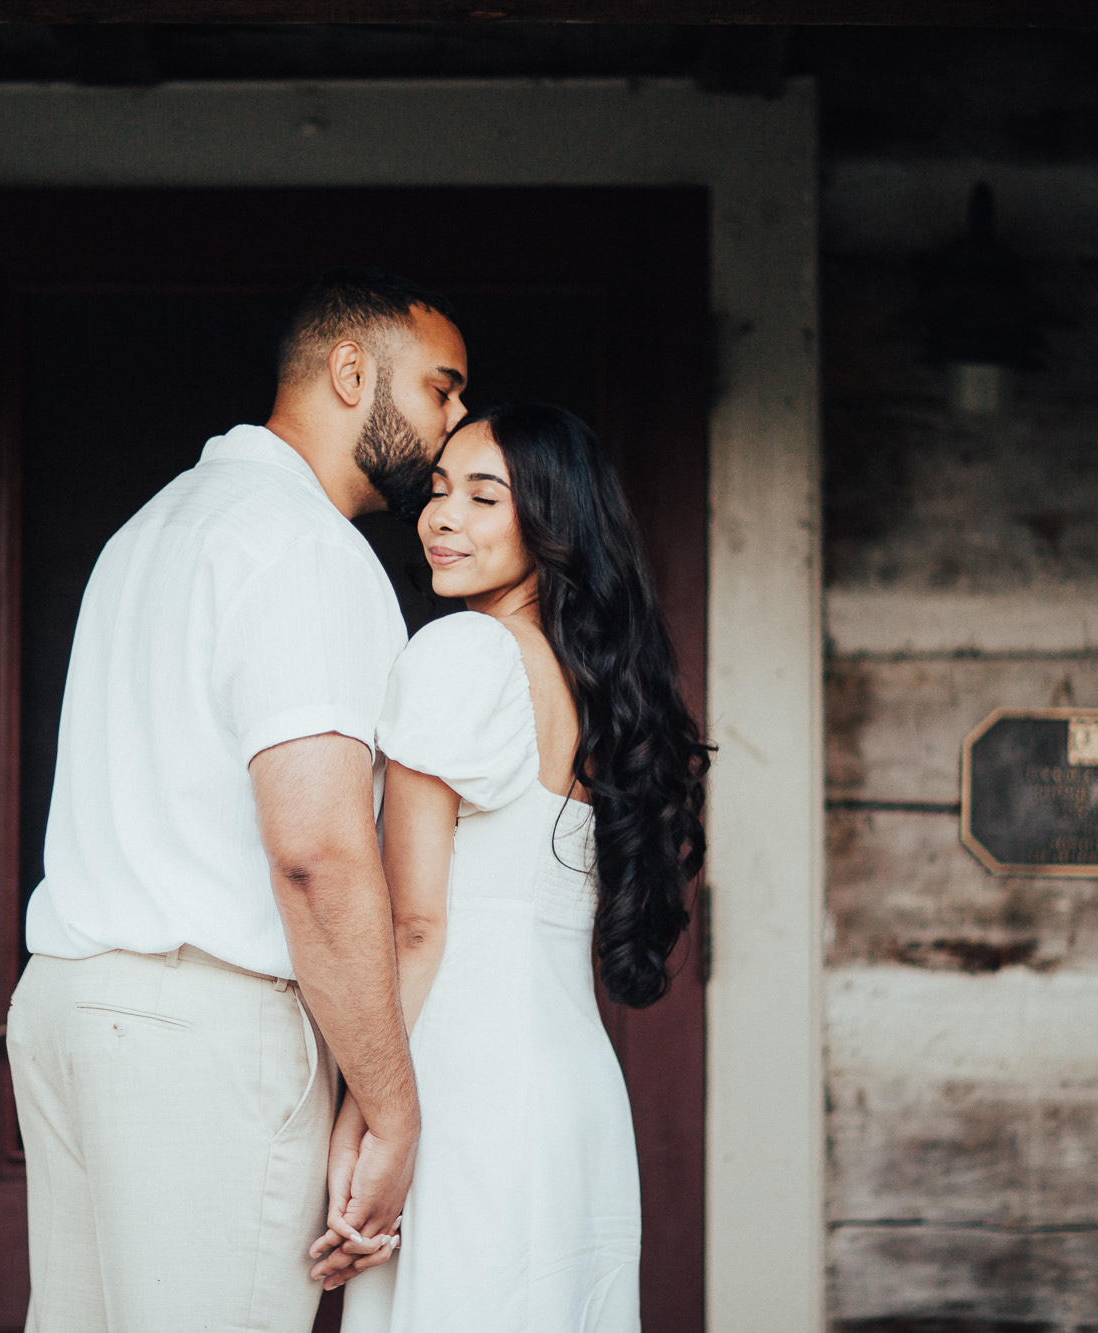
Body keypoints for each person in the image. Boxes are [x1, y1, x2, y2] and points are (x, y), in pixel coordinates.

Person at [3, 269, 468, 1333]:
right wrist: (390, 1109)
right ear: (352, 371)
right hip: (197, 1036)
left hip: (70, 1006)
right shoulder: (302, 546)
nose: (454, 426)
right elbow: (313, 850)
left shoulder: (151, 528)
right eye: (441, 389)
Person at [318, 403, 710, 1331]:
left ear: (554, 523)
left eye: (484, 496)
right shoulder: (603, 687)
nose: (443, 516)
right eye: (438, 489)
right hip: (573, 1095)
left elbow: (415, 925)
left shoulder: (462, 653)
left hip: (463, 1089)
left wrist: (360, 1120)